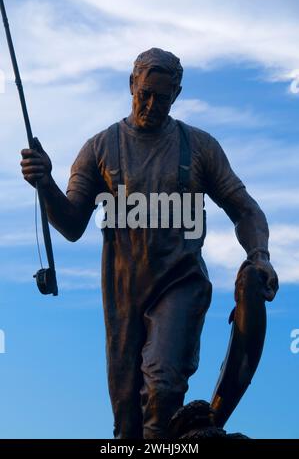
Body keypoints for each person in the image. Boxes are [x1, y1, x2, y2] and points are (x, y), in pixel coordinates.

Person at [20, 48, 278, 439]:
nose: (153, 104)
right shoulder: (100, 148)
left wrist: (259, 256)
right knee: (127, 428)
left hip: (180, 285)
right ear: (131, 85)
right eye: (146, 94)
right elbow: (72, 224)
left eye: (163, 96)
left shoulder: (200, 147)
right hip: (122, 298)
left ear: (177, 94)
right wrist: (46, 184)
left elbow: (245, 209)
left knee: (161, 389)